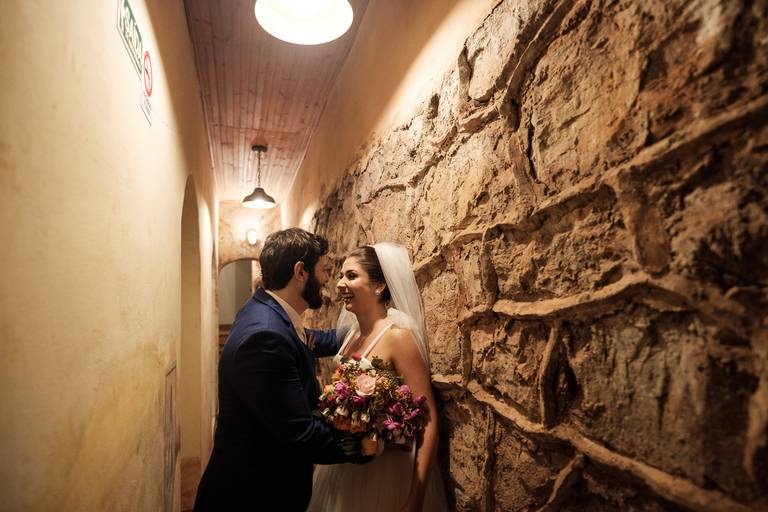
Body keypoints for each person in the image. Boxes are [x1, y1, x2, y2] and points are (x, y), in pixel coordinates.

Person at [194, 228, 371, 512]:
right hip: (254, 496)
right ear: (300, 272)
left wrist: (370, 329)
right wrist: (368, 442)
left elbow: (308, 340)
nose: (328, 280)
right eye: (324, 270)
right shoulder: (266, 336)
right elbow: (302, 434)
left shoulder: (266, 310)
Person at [307, 243, 447, 512]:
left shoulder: (398, 337)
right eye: (341, 276)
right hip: (346, 468)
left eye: (351, 276)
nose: (340, 284)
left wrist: (416, 497)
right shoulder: (351, 334)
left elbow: (428, 420)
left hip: (386, 474)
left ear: (379, 286)